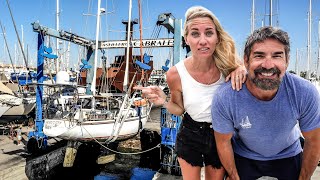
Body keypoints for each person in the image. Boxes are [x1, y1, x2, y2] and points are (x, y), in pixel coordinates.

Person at [135, 6, 246, 180]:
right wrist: (163, 101)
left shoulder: (229, 66)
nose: (203, 40)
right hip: (190, 133)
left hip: (221, 135)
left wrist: (242, 69)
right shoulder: (175, 74)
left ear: (217, 38)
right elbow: (179, 109)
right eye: (195, 34)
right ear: (186, 39)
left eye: (209, 33)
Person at [211, 26, 320, 180]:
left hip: (288, 153)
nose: (268, 65)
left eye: (277, 56)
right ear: (246, 60)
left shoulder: (304, 92)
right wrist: (234, 176)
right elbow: (223, 143)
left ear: (287, 61)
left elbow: (314, 141)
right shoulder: (226, 96)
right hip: (244, 154)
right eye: (259, 55)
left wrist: (303, 178)